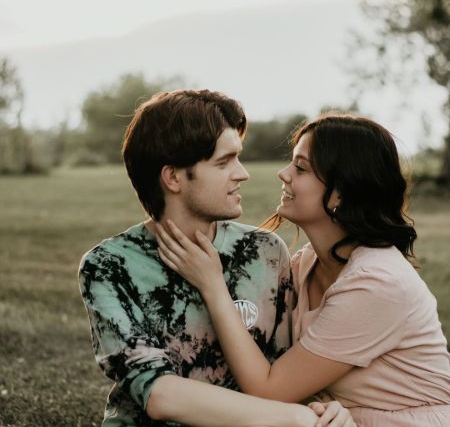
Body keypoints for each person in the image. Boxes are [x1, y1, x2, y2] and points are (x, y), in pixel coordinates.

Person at [78, 90, 354, 427]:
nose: (242, 173)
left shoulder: (264, 251)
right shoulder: (109, 266)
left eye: (238, 158)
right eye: (224, 162)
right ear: (173, 177)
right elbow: (159, 394)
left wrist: (322, 408)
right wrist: (295, 418)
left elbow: (283, 374)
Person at [157, 114, 450, 426]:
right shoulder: (307, 262)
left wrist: (212, 285)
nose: (284, 174)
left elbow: (269, 389)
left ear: (340, 193)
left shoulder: (376, 283)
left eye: (301, 167)